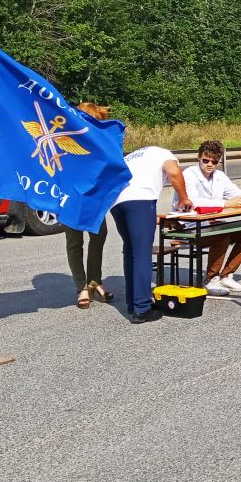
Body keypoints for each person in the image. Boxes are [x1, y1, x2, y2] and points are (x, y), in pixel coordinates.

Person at [111, 145, 193, 324]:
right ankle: (142, 308)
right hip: (140, 199)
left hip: (116, 201)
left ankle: (132, 303)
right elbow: (173, 172)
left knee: (131, 250)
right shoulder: (164, 153)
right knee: (142, 253)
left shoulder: (132, 156)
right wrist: (183, 198)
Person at [173, 140, 241, 296]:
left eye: (214, 161)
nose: (210, 164)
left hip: (212, 225)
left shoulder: (219, 176)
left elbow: (235, 192)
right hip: (189, 228)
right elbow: (194, 202)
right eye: (206, 160)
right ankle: (211, 279)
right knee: (221, 236)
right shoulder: (188, 175)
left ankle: (226, 275)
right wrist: (227, 203)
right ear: (199, 157)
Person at [63, 102, 114, 309]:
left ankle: (95, 281)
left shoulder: (99, 142)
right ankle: (81, 286)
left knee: (99, 235)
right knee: (74, 241)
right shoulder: (65, 139)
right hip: (72, 198)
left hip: (94, 198)